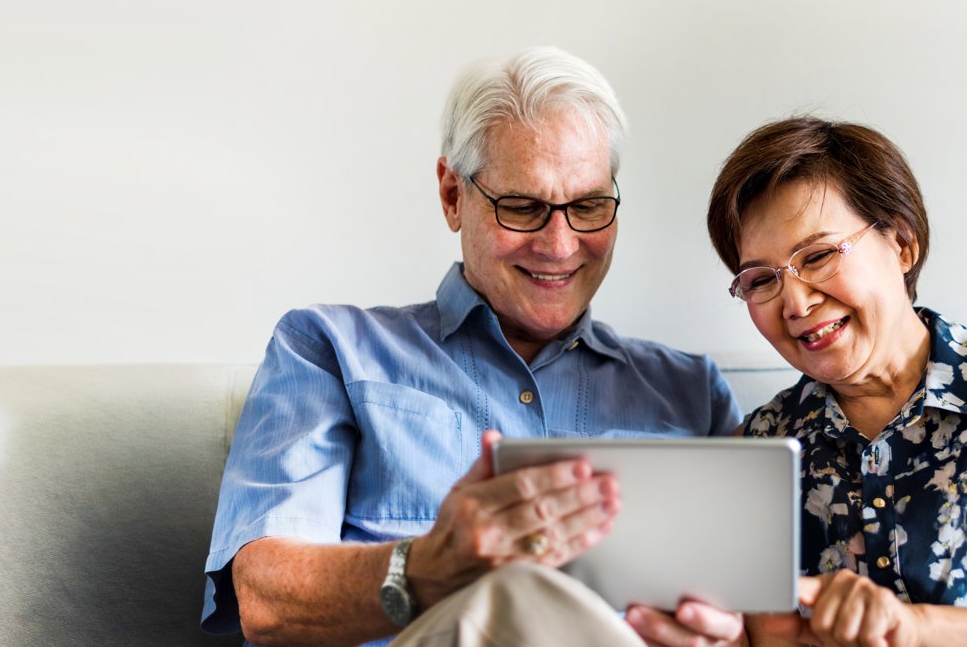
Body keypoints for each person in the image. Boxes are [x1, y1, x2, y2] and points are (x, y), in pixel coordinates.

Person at [201, 47, 743, 646]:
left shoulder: (695, 395)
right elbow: (266, 602)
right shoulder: (328, 350)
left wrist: (731, 632)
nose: (560, 245)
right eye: (522, 207)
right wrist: (429, 569)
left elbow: (760, 611)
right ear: (453, 196)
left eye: (588, 206)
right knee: (507, 594)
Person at [683, 116, 967, 646]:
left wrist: (916, 628)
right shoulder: (758, 446)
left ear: (901, 244)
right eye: (762, 280)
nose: (795, 303)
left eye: (816, 256)